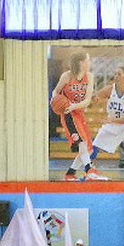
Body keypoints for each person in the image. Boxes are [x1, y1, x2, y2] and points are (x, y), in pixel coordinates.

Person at [51, 52, 104, 181]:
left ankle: (70, 173)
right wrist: (55, 100)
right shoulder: (67, 76)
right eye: (88, 60)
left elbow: (87, 100)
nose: (90, 62)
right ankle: (89, 170)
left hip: (78, 112)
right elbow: (56, 91)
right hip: (68, 114)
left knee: (89, 149)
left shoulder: (89, 76)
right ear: (81, 62)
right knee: (82, 143)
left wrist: (74, 106)